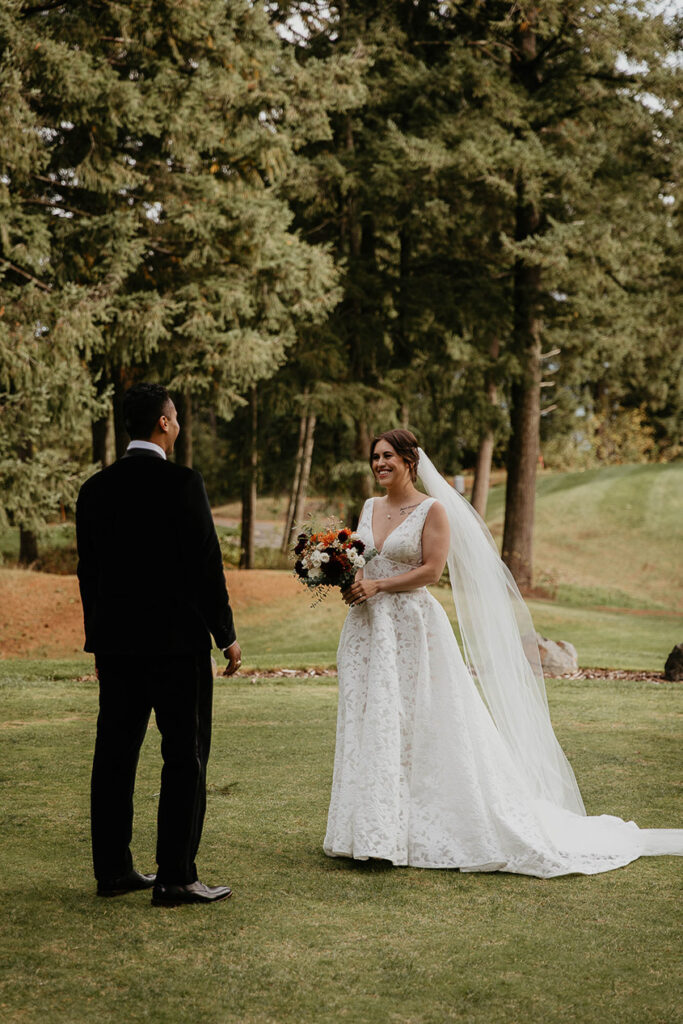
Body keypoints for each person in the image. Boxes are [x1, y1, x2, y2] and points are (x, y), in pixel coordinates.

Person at [324, 429, 683, 876]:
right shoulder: (368, 508)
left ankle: (411, 831)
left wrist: (379, 584)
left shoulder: (432, 509)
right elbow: (361, 559)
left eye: (388, 456)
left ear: (411, 461)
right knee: (370, 721)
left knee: (420, 720)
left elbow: (432, 571)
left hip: (413, 628)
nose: (379, 464)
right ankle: (370, 830)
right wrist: (342, 576)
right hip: (367, 630)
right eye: (375, 457)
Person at [76, 382, 242, 906]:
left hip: (118, 649)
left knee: (114, 755)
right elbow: (204, 567)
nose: (179, 424)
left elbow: (89, 576)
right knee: (185, 755)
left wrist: (98, 643)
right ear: (164, 424)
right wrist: (227, 636)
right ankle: (175, 876)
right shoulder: (182, 483)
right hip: (176, 647)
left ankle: (113, 871)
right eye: (176, 417)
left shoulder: (94, 490)